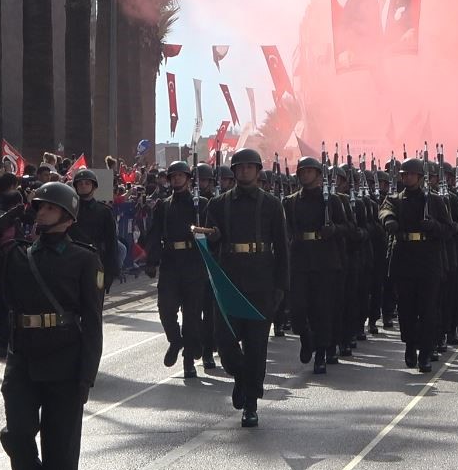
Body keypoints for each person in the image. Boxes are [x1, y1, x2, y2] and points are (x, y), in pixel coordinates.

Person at [0, 183, 103, 470]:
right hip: (23, 360)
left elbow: (93, 322)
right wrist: (4, 220)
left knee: (60, 456)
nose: (42, 212)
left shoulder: (84, 259)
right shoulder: (17, 255)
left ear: (68, 217)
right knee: (17, 436)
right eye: (39, 207)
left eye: (50, 208)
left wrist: (86, 378)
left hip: (65, 364)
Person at [197, 149, 288, 428]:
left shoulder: (272, 205)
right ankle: (242, 378)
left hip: (261, 281)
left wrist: (282, 287)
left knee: (256, 346)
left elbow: (283, 248)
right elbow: (211, 243)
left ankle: (251, 404)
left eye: (250, 167)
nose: (245, 172)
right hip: (228, 281)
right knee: (224, 343)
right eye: (240, 167)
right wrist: (213, 237)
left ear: (258, 171)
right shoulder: (218, 204)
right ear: (233, 172)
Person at [379, 158, 448, 373]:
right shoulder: (396, 199)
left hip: (428, 260)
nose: (405, 177)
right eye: (403, 174)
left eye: (409, 174)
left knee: (427, 310)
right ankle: (410, 345)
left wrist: (434, 225)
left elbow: (449, 228)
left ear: (419, 177)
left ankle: (425, 353)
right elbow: (384, 210)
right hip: (404, 259)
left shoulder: (435, 201)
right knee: (407, 309)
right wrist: (389, 220)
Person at [283, 156, 349, 374]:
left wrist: (334, 230)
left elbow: (346, 227)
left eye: (310, 172)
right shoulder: (290, 201)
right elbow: (288, 230)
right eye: (302, 171)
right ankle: (305, 337)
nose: (305, 175)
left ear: (319, 176)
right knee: (298, 309)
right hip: (300, 258)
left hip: (324, 260)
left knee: (322, 310)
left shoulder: (331, 200)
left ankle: (320, 353)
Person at [143, 161, 208, 378]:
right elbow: (154, 233)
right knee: (165, 309)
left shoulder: (201, 204)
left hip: (193, 262)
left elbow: (213, 234)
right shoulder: (163, 205)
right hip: (171, 262)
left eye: (182, 176)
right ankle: (175, 340)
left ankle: (189, 360)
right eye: (174, 176)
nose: (177, 179)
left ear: (189, 179)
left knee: (191, 315)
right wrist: (151, 261)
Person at [68, 169, 121, 293]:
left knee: (95, 302)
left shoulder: (104, 211)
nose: (83, 186)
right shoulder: (70, 210)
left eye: (87, 183)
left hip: (97, 262)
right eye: (80, 184)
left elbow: (111, 242)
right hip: (72, 261)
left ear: (94, 186)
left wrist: (111, 272)